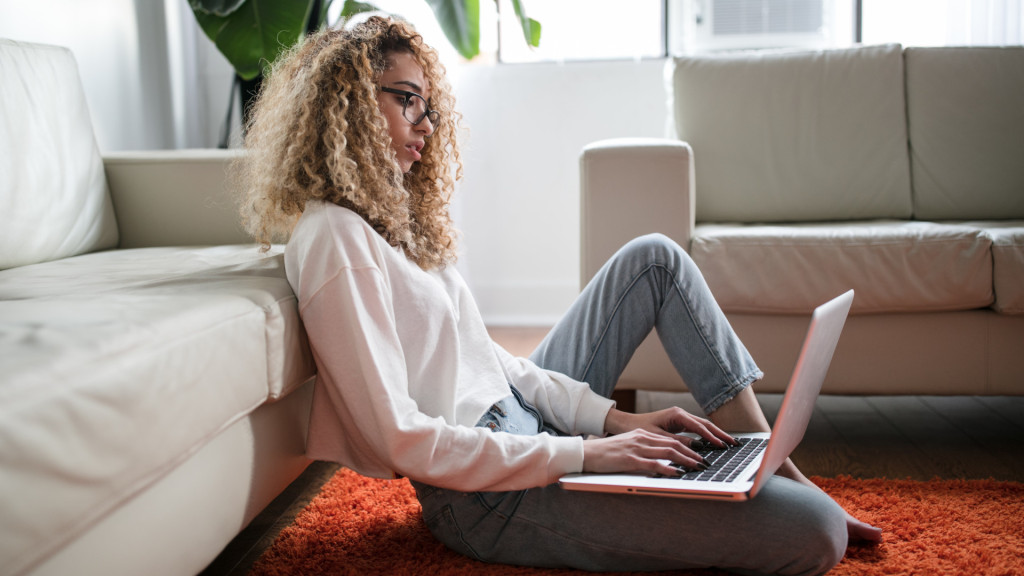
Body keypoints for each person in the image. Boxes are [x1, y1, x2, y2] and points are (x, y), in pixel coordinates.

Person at [235, 15, 881, 575]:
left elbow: (495, 364)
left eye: (427, 107)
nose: (424, 125)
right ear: (346, 99)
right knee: (815, 533)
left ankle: (774, 464)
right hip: (486, 497)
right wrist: (586, 454)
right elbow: (401, 438)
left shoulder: (389, 223)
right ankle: (775, 487)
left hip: (523, 429)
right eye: (406, 99)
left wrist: (612, 421)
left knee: (653, 259)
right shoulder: (333, 239)